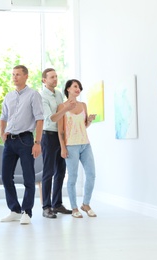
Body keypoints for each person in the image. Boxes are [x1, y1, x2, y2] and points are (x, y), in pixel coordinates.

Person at [0, 65, 44, 225]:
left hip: (26, 140)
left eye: (18, 74)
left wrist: (37, 142)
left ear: (26, 76)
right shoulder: (8, 96)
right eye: (13, 74)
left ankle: (27, 211)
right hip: (9, 141)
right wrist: (2, 132)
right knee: (5, 176)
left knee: (28, 177)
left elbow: (40, 119)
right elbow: (3, 117)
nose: (14, 77)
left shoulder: (33, 95)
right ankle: (15, 210)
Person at [57, 79, 97, 218]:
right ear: (68, 88)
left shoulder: (83, 105)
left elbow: (83, 125)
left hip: (85, 144)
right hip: (71, 146)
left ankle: (85, 204)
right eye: (75, 86)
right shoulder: (62, 106)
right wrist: (63, 148)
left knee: (91, 174)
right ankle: (74, 208)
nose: (78, 89)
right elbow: (60, 130)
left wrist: (89, 120)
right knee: (73, 177)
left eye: (79, 87)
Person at [40, 68, 76, 218]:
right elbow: (52, 119)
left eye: (56, 76)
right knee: (48, 172)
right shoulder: (41, 96)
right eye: (51, 77)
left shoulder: (59, 94)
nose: (55, 79)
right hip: (48, 136)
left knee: (60, 171)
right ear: (44, 80)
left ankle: (57, 204)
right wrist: (65, 108)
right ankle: (46, 207)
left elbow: (64, 114)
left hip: (61, 136)